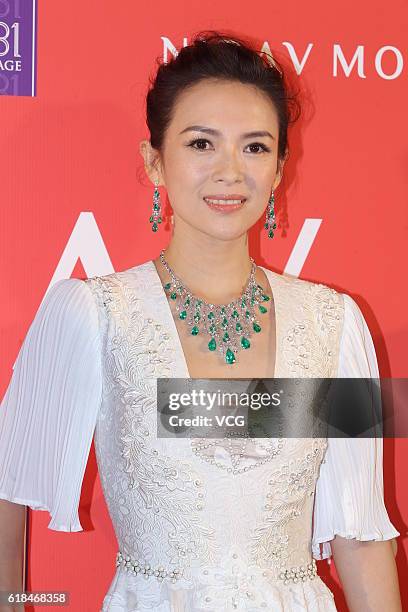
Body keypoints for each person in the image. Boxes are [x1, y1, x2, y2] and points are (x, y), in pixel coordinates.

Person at [0, 32, 401, 612]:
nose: (230, 171)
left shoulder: (336, 326)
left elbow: (361, 540)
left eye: (256, 147)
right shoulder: (94, 315)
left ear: (282, 166)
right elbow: (9, 494)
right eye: (201, 143)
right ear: (154, 161)